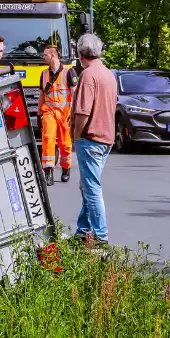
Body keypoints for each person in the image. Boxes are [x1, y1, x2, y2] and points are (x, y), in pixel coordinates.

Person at [70, 33, 117, 248]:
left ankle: (100, 236)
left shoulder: (88, 76)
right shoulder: (108, 74)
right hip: (105, 137)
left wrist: (76, 136)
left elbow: (82, 112)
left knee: (91, 188)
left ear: (80, 54)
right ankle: (83, 230)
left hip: (90, 138)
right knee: (88, 186)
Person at [39, 45, 79, 185]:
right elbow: (42, 95)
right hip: (49, 110)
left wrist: (73, 114)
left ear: (53, 56)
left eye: (45, 55)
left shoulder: (69, 72)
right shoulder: (44, 74)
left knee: (65, 143)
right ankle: (48, 170)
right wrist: (39, 113)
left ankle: (66, 168)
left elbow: (75, 96)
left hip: (65, 113)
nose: (43, 57)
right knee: (48, 138)